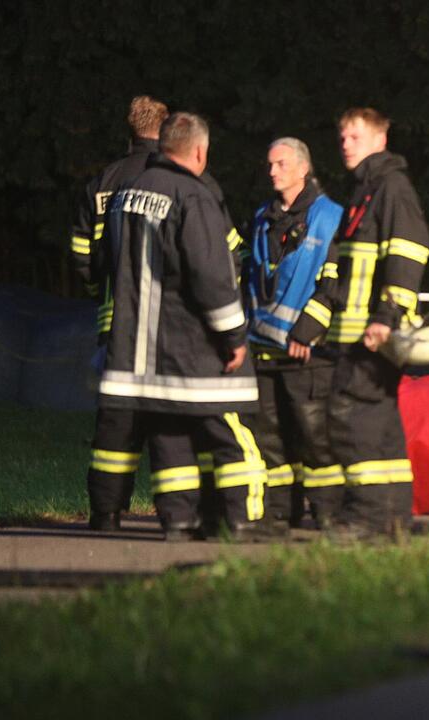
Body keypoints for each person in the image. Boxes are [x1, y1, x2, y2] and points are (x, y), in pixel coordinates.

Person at [95, 112, 267, 540]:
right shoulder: (193, 195)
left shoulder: (126, 194)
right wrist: (232, 335)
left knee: (168, 434)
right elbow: (210, 274)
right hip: (189, 344)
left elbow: (102, 263)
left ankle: (179, 521)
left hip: (137, 347)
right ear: (200, 150)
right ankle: (244, 520)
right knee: (229, 431)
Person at [325, 107, 429, 538]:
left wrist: (386, 317)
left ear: (379, 139)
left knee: (356, 423)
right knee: (383, 428)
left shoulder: (390, 187)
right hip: (356, 332)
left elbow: (409, 252)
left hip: (371, 334)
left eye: (354, 136)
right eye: (343, 136)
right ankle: (392, 520)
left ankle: (366, 519)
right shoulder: (365, 189)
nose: (345, 144)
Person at [72, 96, 168, 531]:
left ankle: (106, 513)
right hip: (167, 321)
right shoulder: (175, 178)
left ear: (129, 130)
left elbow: (83, 253)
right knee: (170, 416)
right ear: (165, 131)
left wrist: (102, 291)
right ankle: (176, 517)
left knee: (116, 418)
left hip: (116, 320)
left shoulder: (105, 180)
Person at [242, 137, 344, 530]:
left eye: (280, 164)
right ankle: (281, 510)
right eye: (270, 165)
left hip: (307, 351)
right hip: (262, 348)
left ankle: (327, 512)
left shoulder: (330, 217)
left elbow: (333, 283)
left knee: (314, 435)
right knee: (271, 438)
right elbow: (251, 278)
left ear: (303, 168)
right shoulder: (262, 218)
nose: (272, 172)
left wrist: (307, 331)